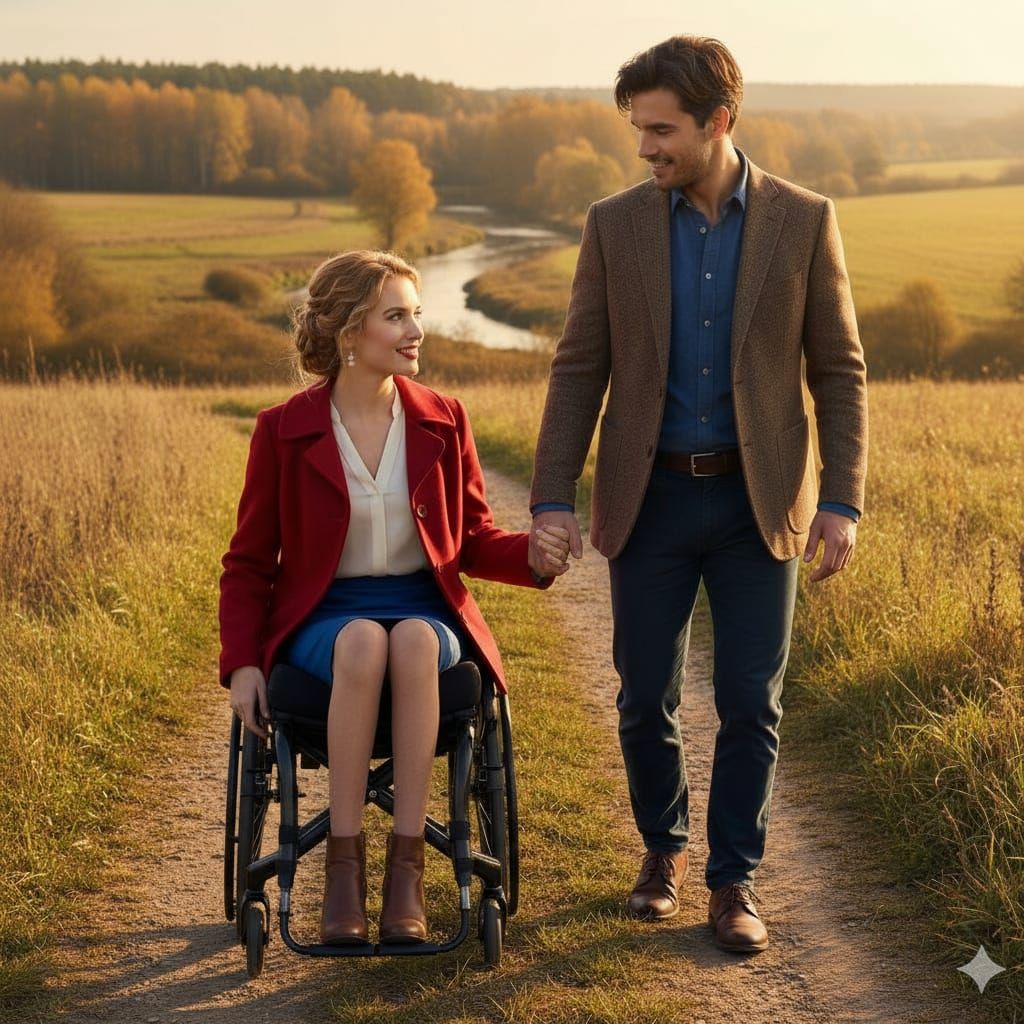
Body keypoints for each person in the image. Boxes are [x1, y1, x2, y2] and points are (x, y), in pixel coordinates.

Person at [529, 35, 868, 953]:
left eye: (661, 130)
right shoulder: (615, 224)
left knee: (751, 700)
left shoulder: (805, 219)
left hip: (761, 507)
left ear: (719, 121)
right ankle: (661, 849)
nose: (645, 149)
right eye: (639, 130)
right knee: (645, 695)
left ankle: (733, 879)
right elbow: (577, 367)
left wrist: (842, 499)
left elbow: (838, 372)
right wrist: (551, 498)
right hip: (650, 502)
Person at [220, 249, 570, 946]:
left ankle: (405, 873)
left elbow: (471, 540)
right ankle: (342, 875)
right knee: (361, 639)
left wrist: (530, 553)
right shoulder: (283, 431)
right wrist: (244, 664)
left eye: (417, 313)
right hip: (324, 616)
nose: (415, 331)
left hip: (423, 607)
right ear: (350, 332)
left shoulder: (442, 418)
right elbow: (249, 563)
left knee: (408, 637)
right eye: (396, 316)